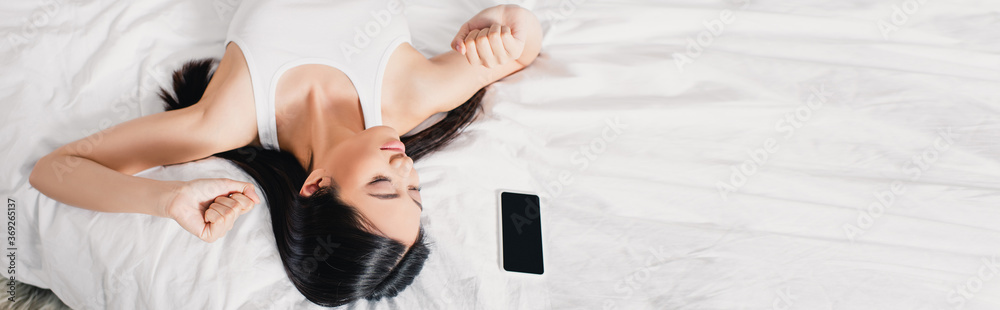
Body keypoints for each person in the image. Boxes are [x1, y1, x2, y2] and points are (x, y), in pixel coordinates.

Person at [28, 0, 542, 306]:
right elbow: (522, 37)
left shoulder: (226, 119)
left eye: (382, 185)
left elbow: (55, 170)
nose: (404, 166)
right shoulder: (411, 96)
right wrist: (493, 24)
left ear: (315, 185)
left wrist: (168, 199)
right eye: (414, 189)